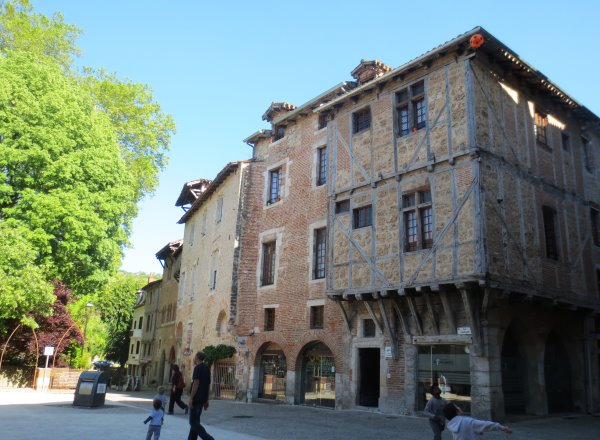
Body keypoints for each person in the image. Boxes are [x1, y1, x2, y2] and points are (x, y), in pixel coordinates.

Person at [443, 402, 512, 440]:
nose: (459, 407)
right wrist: (502, 427)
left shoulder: (451, 424)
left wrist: (477, 431)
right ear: (456, 412)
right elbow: (486, 425)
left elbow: (463, 432)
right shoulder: (467, 421)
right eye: (457, 407)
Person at [187, 351, 214, 440]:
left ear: (197, 357)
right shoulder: (207, 368)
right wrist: (206, 399)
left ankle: (208, 438)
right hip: (202, 398)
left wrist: (191, 398)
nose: (194, 359)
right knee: (196, 420)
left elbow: (196, 383)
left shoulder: (198, 368)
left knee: (192, 421)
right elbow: (207, 385)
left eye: (195, 357)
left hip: (196, 398)